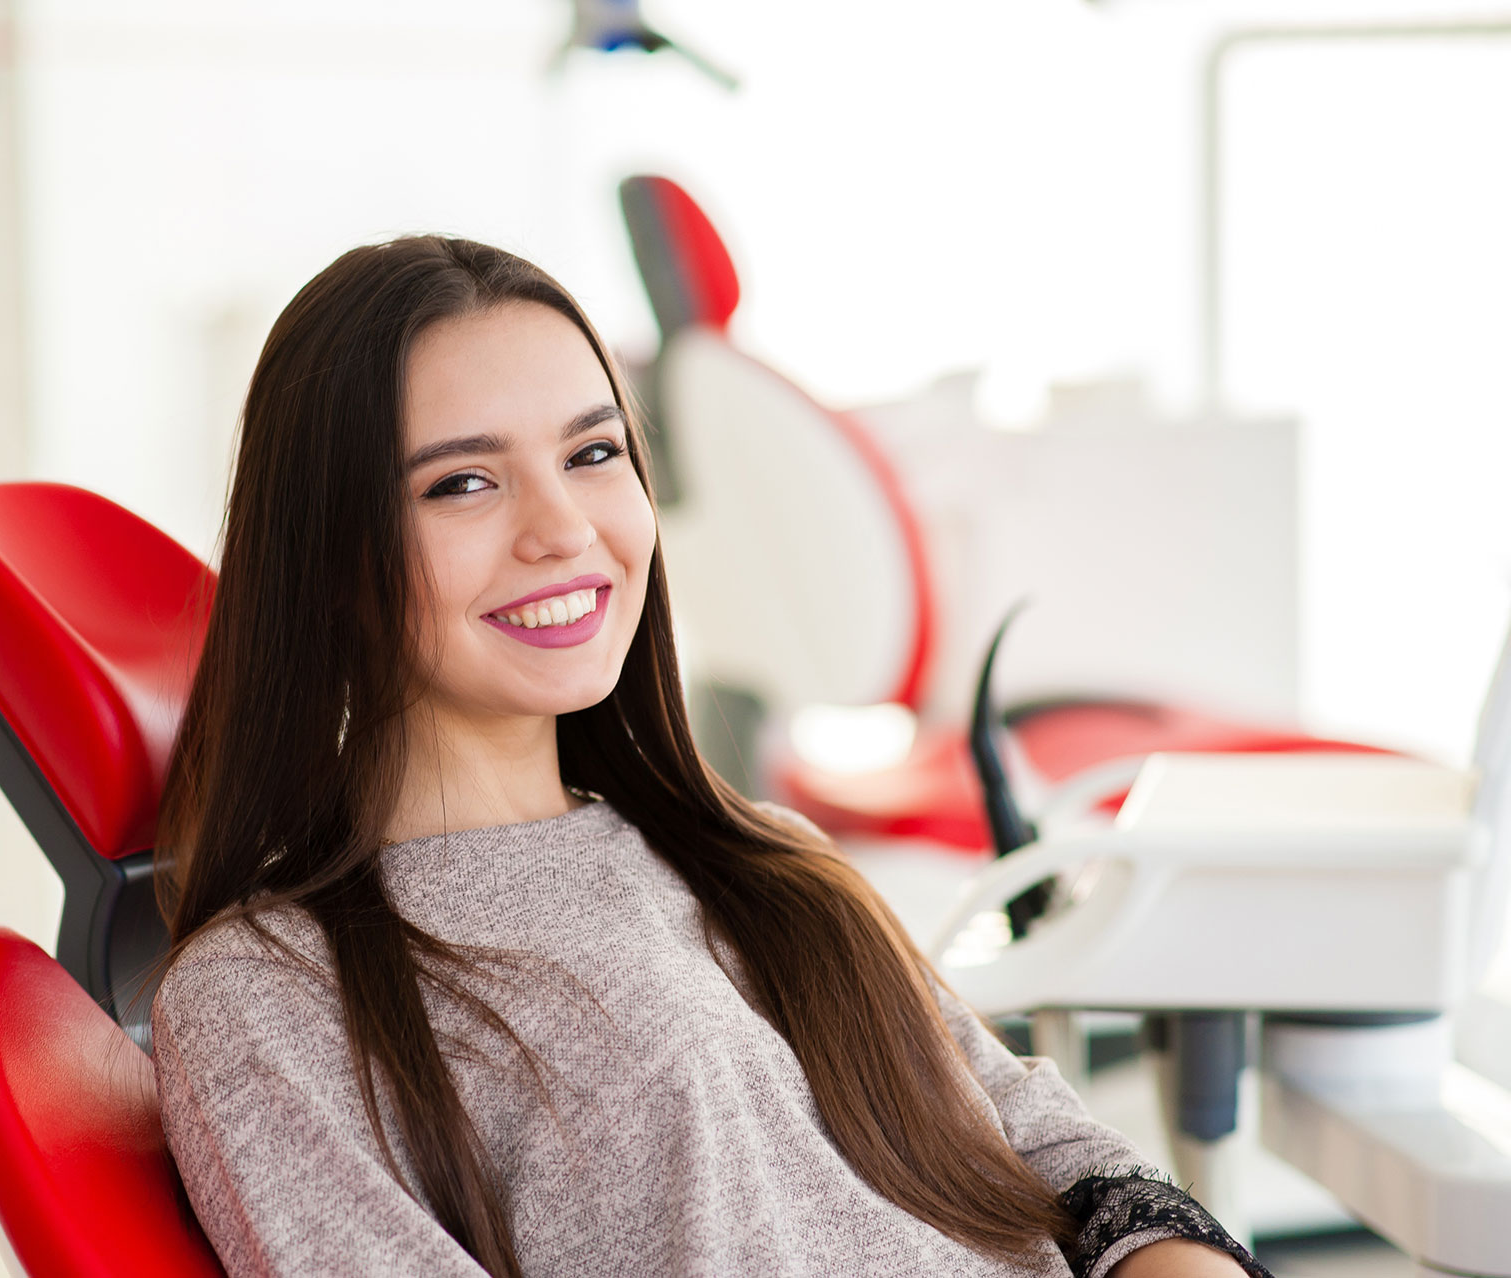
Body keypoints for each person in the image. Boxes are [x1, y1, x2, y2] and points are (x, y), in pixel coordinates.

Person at [150, 235, 1270, 1278]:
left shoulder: (766, 859)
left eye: (594, 453)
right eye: (463, 482)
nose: (564, 529)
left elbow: (1058, 1155)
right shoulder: (268, 993)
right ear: (328, 559)